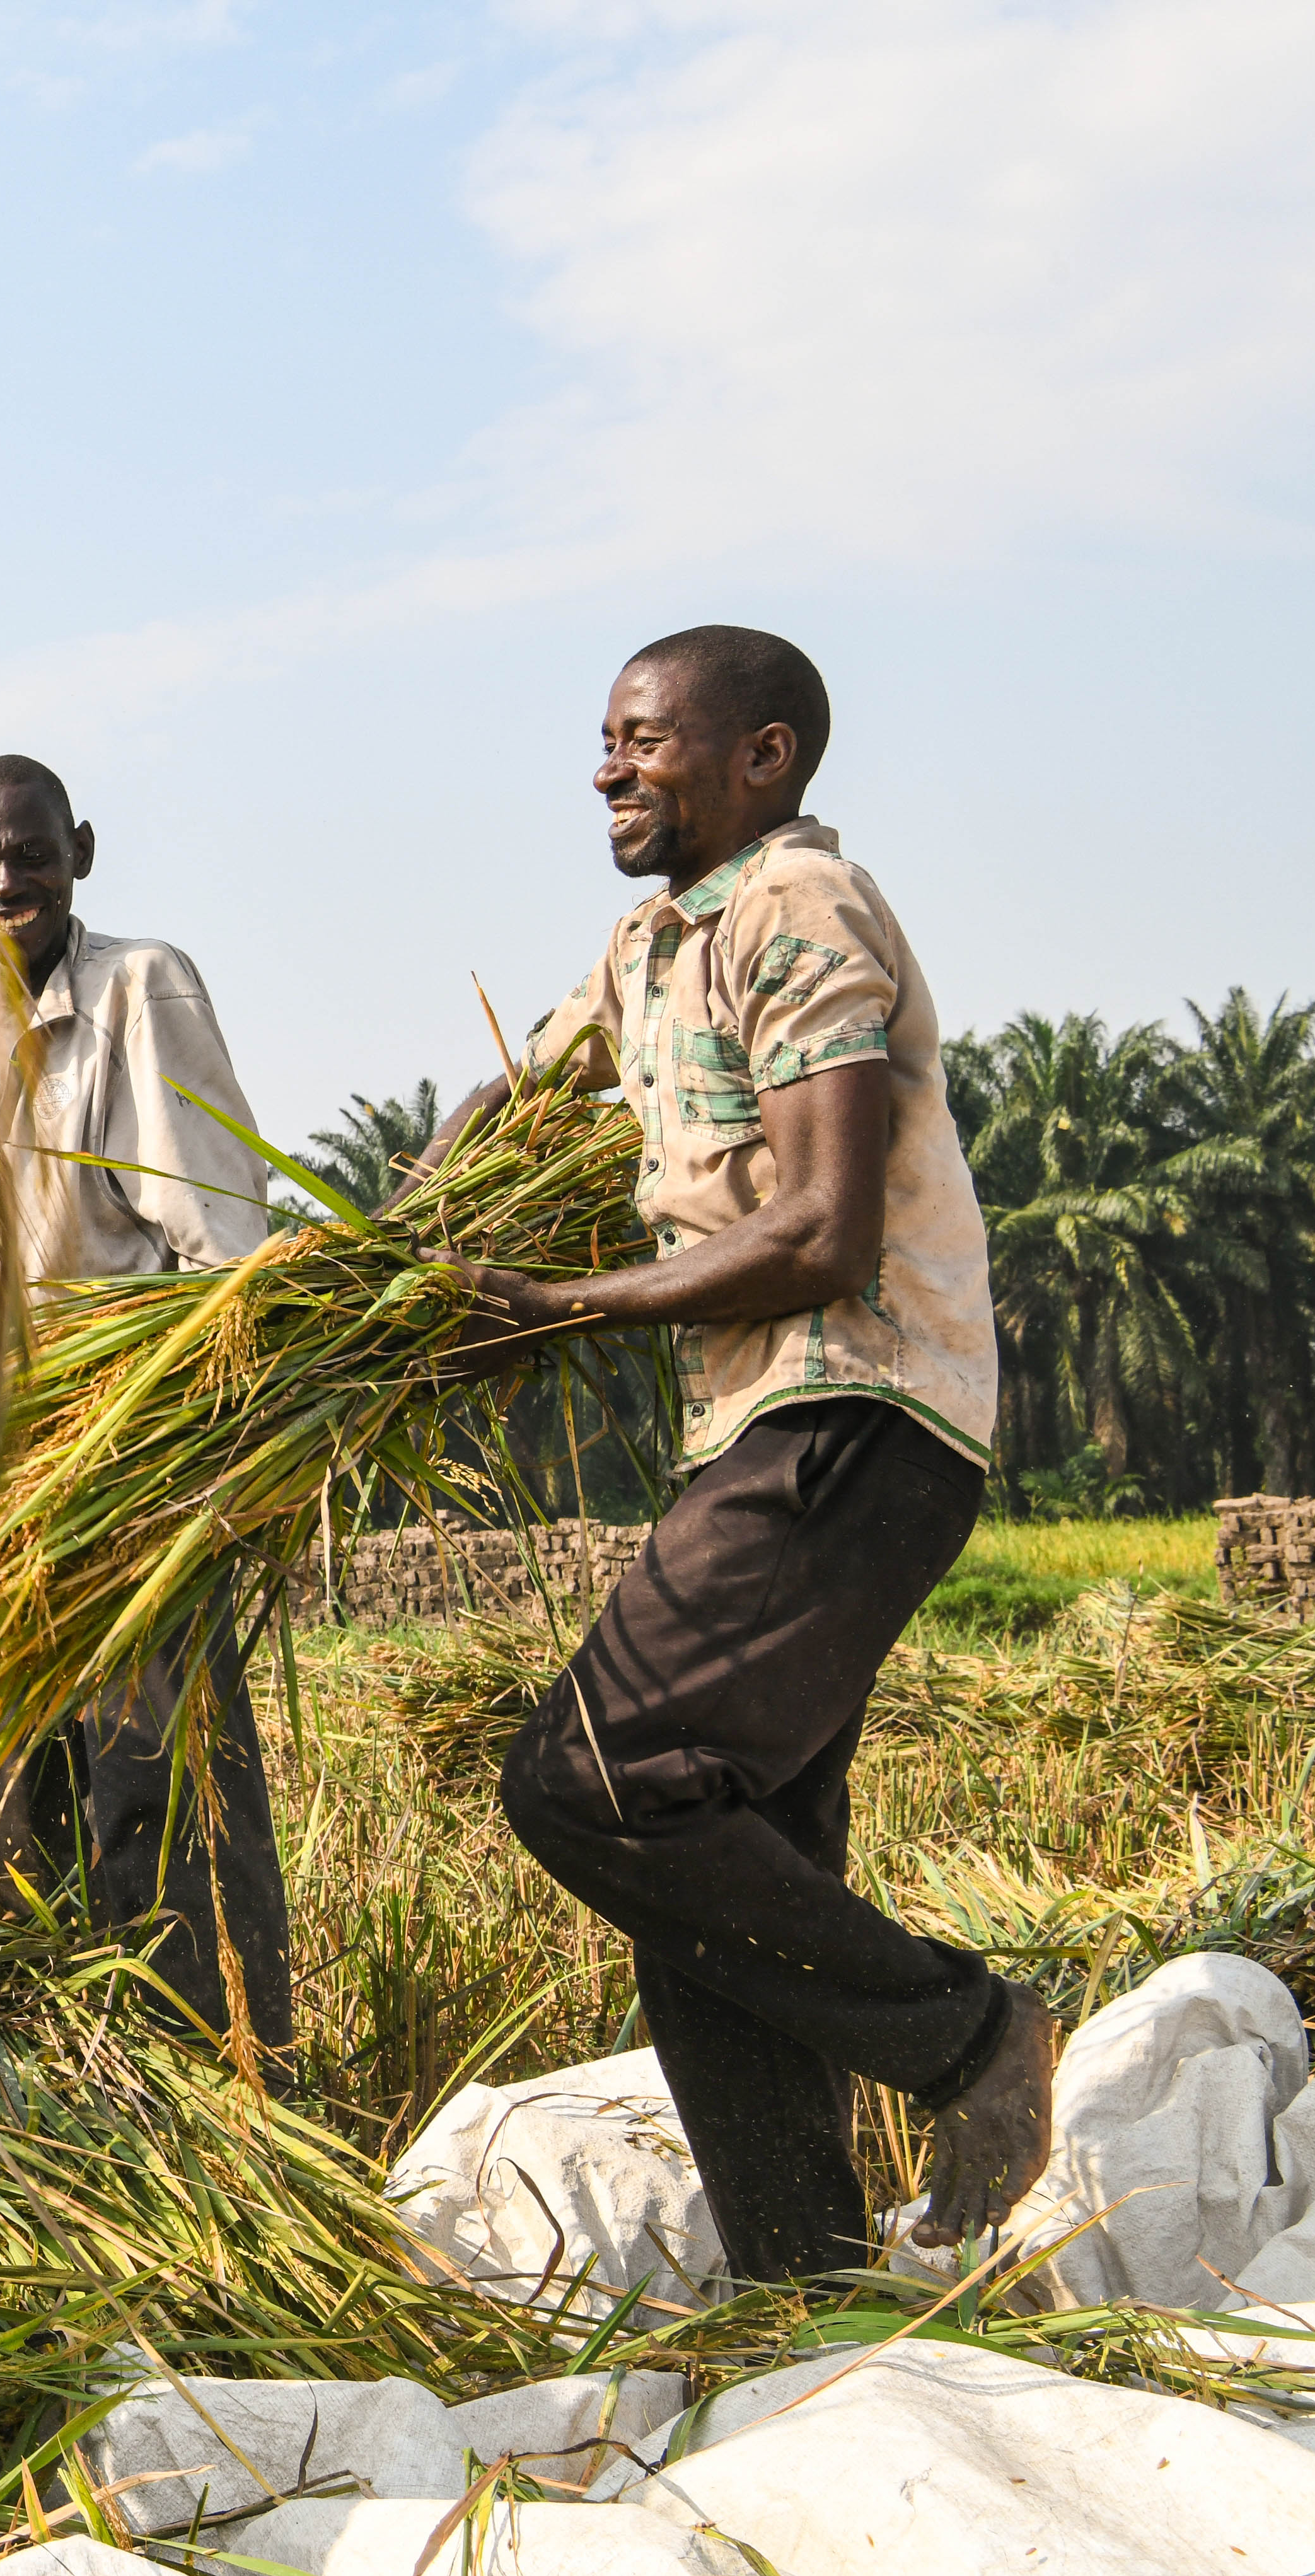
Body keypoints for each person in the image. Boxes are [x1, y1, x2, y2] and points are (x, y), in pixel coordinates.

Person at [405, 624, 1053, 2282]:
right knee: (712, 1869)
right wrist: (394, 1239)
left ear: (762, 756)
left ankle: (966, 2043)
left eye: (641, 737)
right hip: (758, 1423)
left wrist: (557, 1305)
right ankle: (805, 2294)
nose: (609, 767)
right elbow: (526, 1088)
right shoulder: (652, 944)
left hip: (855, 1407)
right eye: (605, 739)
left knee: (596, 1782)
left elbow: (829, 1233)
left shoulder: (797, 911)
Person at [0, 755, 293, 2052]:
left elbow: (221, 1244)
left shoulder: (141, 986)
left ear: (79, 849)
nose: (8, 880)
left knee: (161, 1786)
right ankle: (31, 2100)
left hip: (132, 1437)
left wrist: (176, 1431)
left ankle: (220, 2080)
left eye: (30, 853)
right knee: (0, 1791)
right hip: (1, 1462)